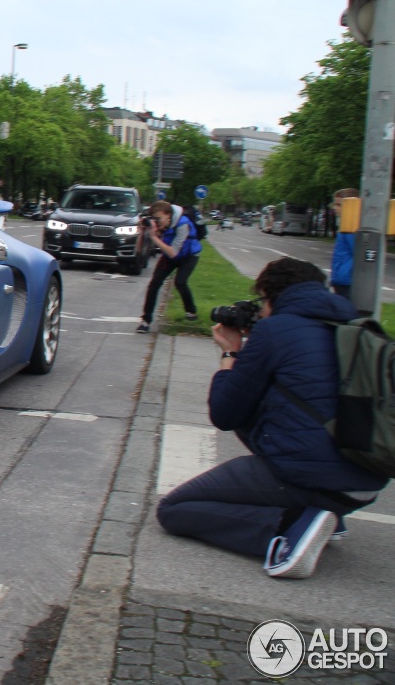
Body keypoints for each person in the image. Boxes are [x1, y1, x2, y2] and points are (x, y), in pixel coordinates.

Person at [156, 258, 387, 579]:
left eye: (262, 302)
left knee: (173, 510)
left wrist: (231, 354)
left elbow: (224, 413)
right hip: (367, 481)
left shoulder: (275, 330)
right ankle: (330, 515)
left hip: (305, 475)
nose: (261, 310)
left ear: (271, 295)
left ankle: (290, 528)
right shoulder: (358, 328)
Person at [137, 200, 201, 332]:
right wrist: (143, 231)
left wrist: (154, 237)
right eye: (154, 218)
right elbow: (139, 250)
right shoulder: (161, 224)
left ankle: (191, 312)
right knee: (154, 283)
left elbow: (173, 253)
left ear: (168, 215)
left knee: (180, 282)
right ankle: (146, 320)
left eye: (159, 218)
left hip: (189, 255)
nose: (157, 221)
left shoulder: (183, 224)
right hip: (170, 254)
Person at [330, 187, 359, 299]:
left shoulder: (351, 228)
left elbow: (356, 252)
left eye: (339, 205)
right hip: (342, 279)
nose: (335, 208)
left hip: (346, 280)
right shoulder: (345, 226)